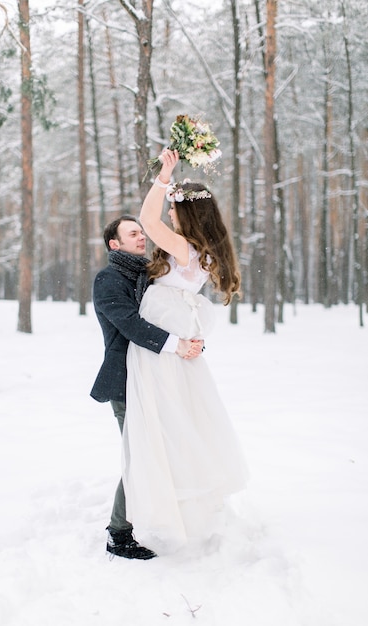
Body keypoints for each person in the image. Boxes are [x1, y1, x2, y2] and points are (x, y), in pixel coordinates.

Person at [122, 149, 249, 553]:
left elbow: (146, 220)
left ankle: (162, 505)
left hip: (160, 347)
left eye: (176, 211)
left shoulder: (183, 248)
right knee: (177, 420)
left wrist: (163, 178)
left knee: (160, 422)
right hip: (174, 341)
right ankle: (182, 502)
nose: (170, 217)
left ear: (187, 216)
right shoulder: (207, 251)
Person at [90, 214, 203, 560]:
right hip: (125, 381)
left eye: (142, 232)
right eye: (133, 233)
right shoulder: (108, 279)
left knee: (161, 452)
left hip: (158, 377)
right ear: (115, 244)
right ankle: (118, 533)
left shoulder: (150, 275)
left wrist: (190, 339)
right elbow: (130, 323)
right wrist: (175, 344)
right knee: (139, 456)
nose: (142, 237)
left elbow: (169, 313)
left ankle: (163, 513)